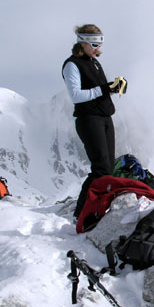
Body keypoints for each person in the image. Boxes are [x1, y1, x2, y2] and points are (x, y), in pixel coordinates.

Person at [61, 24, 128, 219]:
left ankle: (93, 208)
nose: (99, 49)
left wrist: (114, 88)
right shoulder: (72, 64)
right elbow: (76, 95)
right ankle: (81, 212)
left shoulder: (94, 62)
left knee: (107, 169)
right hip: (88, 119)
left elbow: (98, 90)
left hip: (105, 117)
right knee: (100, 169)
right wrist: (105, 89)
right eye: (94, 44)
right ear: (82, 43)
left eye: (100, 44)